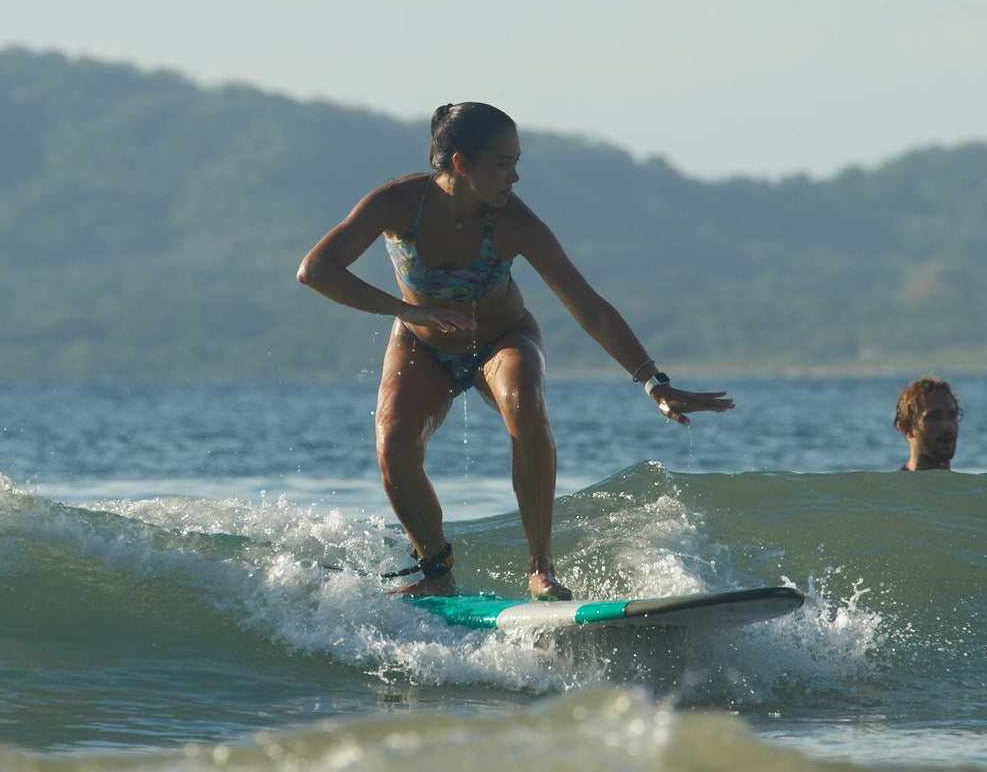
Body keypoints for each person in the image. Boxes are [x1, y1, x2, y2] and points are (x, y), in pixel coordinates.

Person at [297, 102, 734, 600]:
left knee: (524, 403)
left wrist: (655, 383)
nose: (516, 177)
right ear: (462, 164)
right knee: (394, 443)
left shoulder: (513, 223)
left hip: (501, 340)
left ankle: (540, 569)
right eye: (504, 163)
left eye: (516, 162)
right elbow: (316, 270)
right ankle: (436, 568)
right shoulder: (397, 203)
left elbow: (589, 308)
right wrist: (409, 311)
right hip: (420, 341)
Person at [894, 376, 961, 471]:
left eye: (952, 416)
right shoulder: (894, 485)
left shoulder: (970, 485)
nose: (947, 426)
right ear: (907, 428)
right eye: (934, 417)